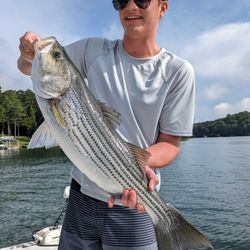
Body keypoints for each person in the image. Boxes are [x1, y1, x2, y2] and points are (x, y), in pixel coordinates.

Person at [17, 0, 195, 249]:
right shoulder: (92, 49)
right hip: (81, 198)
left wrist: (138, 164)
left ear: (162, 7)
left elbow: (170, 143)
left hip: (134, 203)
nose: (131, 6)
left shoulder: (178, 71)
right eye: (121, 0)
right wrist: (28, 55)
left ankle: (168, 225)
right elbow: (28, 68)